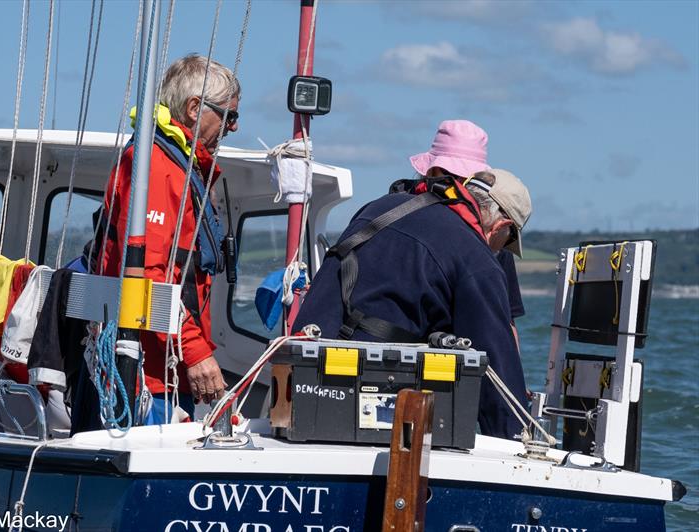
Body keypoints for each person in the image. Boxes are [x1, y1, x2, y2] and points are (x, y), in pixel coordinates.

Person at [292, 168, 532, 439]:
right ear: (501, 227)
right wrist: (518, 441)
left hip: (301, 377)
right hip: (358, 405)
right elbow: (496, 363)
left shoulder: (383, 206)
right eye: (507, 243)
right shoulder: (476, 260)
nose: (499, 251)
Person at [95, 54, 240, 423]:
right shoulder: (156, 168)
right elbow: (148, 274)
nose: (233, 128)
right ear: (195, 108)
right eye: (229, 115)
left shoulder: (173, 166)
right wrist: (195, 353)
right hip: (146, 376)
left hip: (164, 371)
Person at [407, 119, 526, 342]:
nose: (457, 185)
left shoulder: (394, 214)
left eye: (463, 179)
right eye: (453, 176)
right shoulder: (492, 232)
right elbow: (508, 328)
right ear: (434, 171)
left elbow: (507, 324)